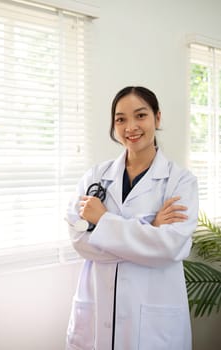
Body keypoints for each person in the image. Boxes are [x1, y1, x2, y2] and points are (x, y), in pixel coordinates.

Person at [66, 86, 198, 350]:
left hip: (153, 321)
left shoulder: (180, 182)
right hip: (96, 311)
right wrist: (149, 229)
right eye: (121, 119)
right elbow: (79, 236)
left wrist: (103, 221)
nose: (131, 127)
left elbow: (170, 247)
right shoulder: (95, 176)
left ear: (157, 118)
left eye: (140, 115)